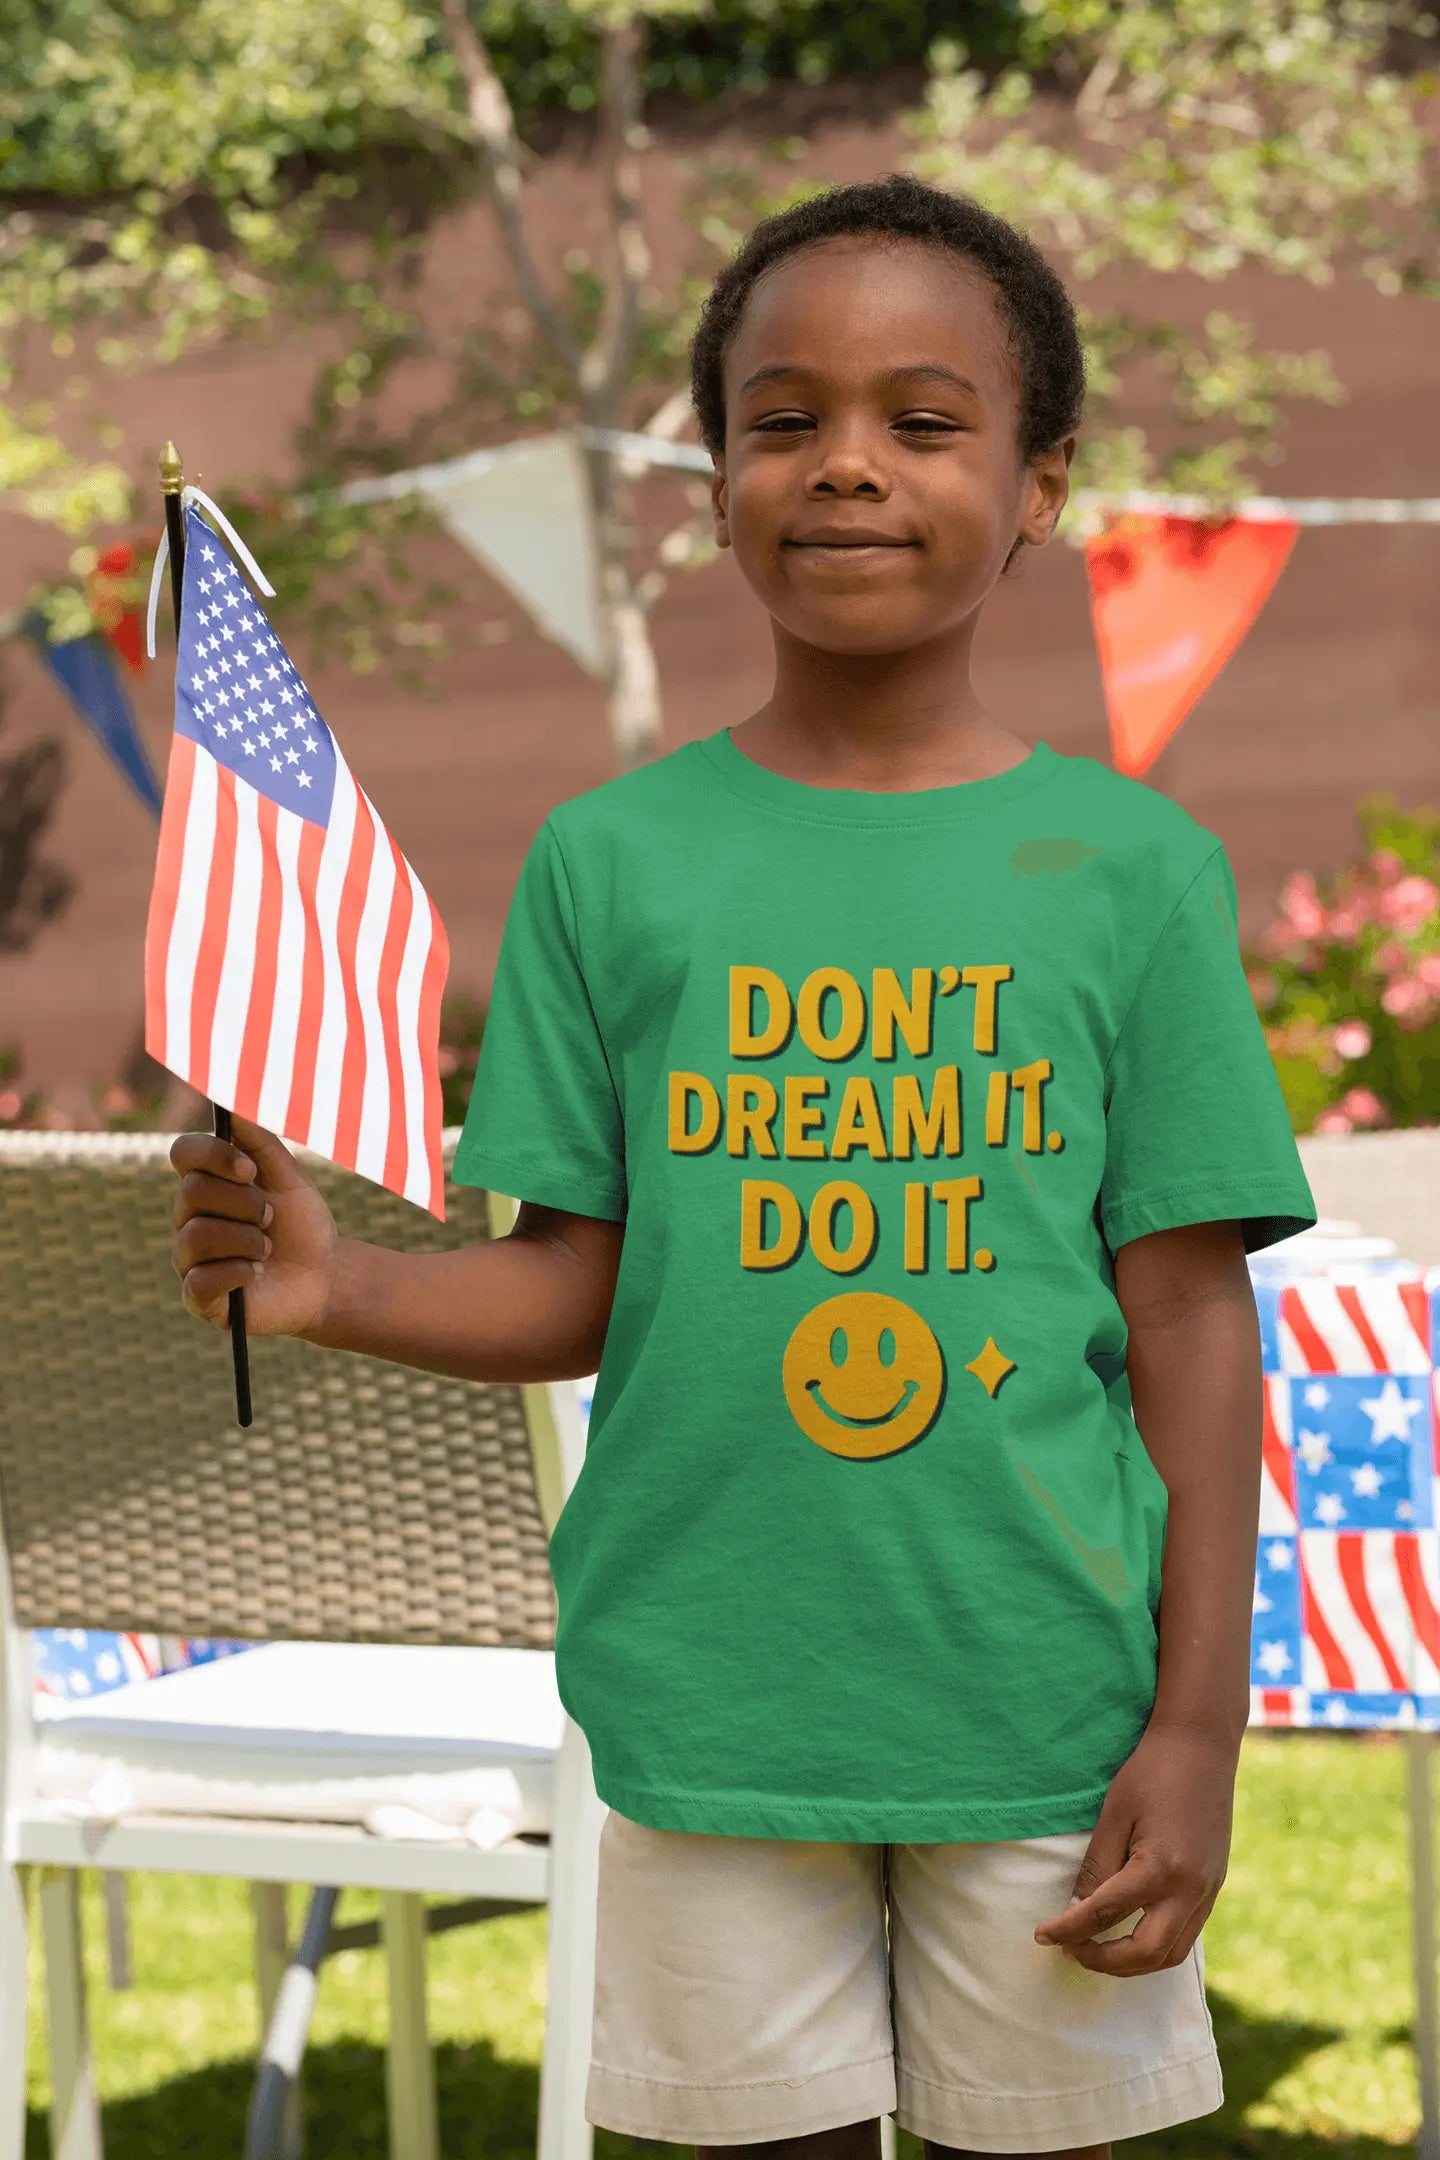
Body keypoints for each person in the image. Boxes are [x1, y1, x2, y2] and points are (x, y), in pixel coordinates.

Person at [170, 174, 1316, 2159]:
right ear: (712, 482)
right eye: (783, 420)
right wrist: (336, 1280)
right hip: (708, 1704)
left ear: (1041, 483)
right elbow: (584, 1279)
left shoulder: (1138, 877)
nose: (845, 468)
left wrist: (1198, 1724)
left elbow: (1195, 1315)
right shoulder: (609, 864)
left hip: (1044, 1699)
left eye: (922, 421)